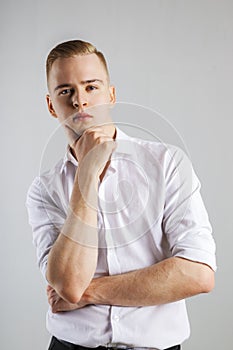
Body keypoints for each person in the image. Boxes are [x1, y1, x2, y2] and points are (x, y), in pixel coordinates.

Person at [26, 39, 216, 350]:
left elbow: (198, 274)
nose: (80, 101)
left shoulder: (167, 163)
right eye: (66, 91)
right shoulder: (44, 190)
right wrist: (87, 174)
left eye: (91, 87)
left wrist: (91, 292)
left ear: (111, 94)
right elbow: (70, 285)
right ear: (51, 105)